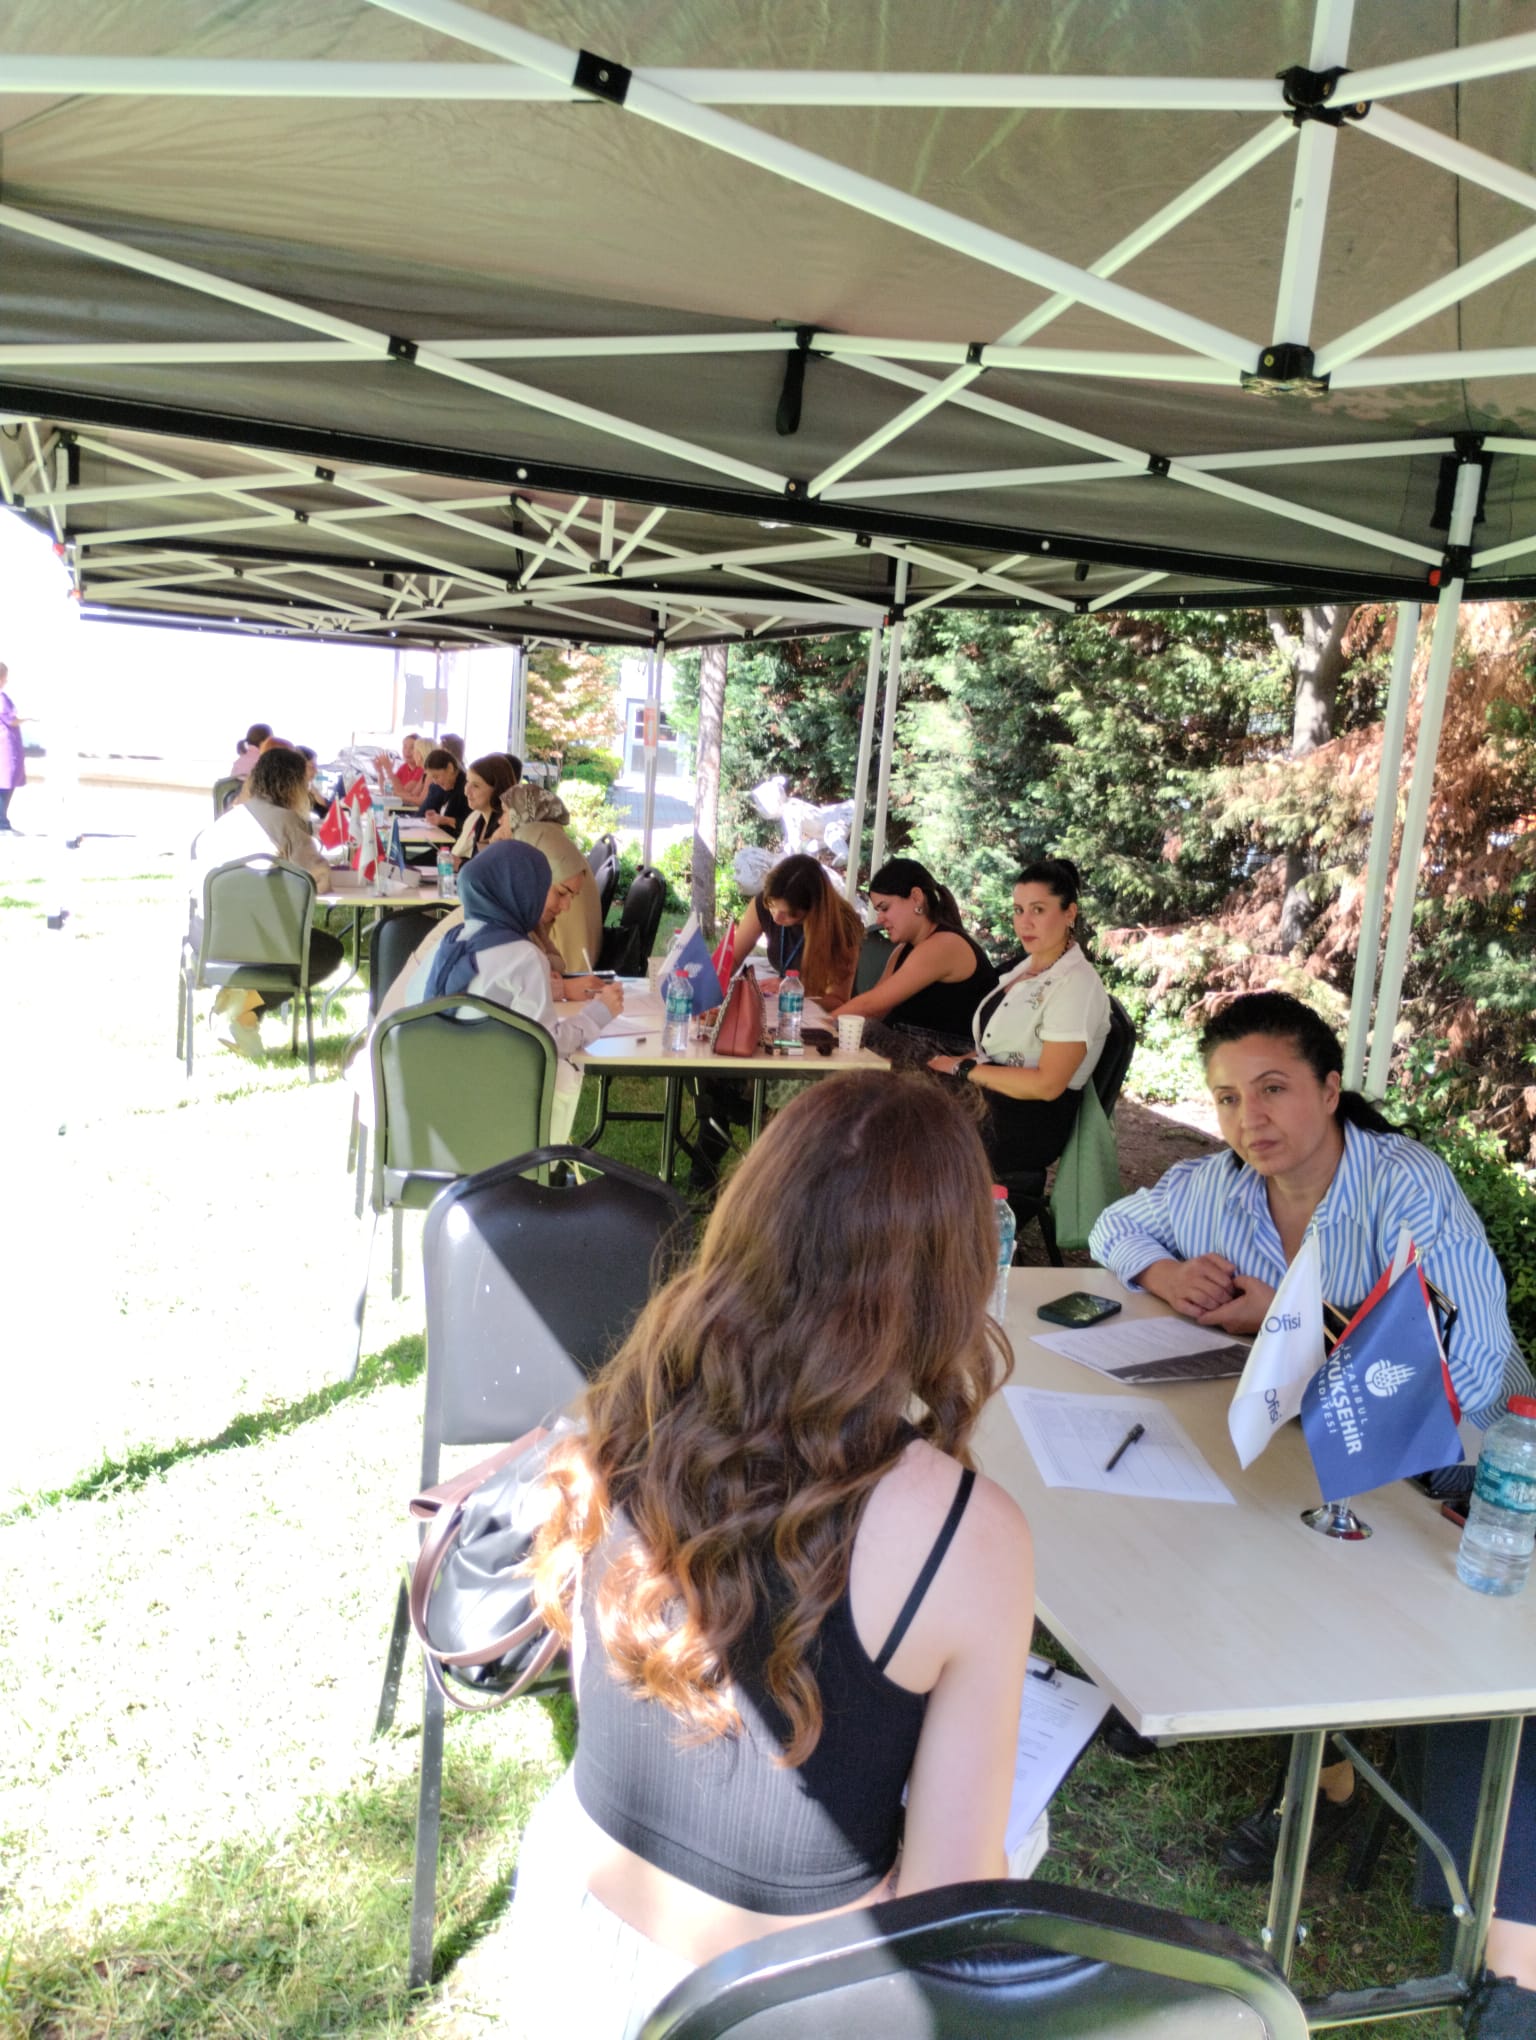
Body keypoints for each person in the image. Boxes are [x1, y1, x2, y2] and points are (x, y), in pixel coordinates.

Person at [509, 1072, 1034, 2036]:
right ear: (954, 1273)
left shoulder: (625, 1409)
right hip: (788, 2001)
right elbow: (949, 1913)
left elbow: (600, 1688)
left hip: (570, 1933)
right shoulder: (970, 1531)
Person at [1087, 990, 1535, 2011]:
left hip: (1454, 1463)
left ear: (1331, 1090)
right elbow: (1117, 1221)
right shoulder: (1216, 1187)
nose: (1250, 1118)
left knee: (1378, 1579)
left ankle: (1340, 1787)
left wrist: (1300, 1322)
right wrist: (1164, 1270)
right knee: (1175, 1488)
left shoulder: (1402, 1183)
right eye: (1227, 1097)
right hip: (1307, 1446)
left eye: (1274, 1088)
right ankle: (1210, 1696)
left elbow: (1467, 1364)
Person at [407, 838, 623, 1139]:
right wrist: (598, 1014)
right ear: (520, 892)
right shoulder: (523, 956)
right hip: (493, 1123)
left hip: (424, 1116)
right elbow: (546, 1042)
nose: (565, 906)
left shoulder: (449, 943)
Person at [927, 857, 1111, 1176]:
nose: (1024, 922)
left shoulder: (1077, 984)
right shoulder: (1026, 968)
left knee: (908, 1123)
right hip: (992, 1097)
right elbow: (995, 1049)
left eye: (1038, 910)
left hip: (1026, 1121)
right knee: (897, 1092)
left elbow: (1047, 1085)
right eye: (1018, 910)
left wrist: (962, 1068)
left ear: (1070, 913)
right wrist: (950, 1065)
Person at [189, 746, 344, 1058]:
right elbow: (316, 881)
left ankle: (242, 1011)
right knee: (327, 950)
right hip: (261, 943)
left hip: (207, 941)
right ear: (294, 785)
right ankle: (241, 1009)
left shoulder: (227, 821)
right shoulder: (288, 822)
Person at [827, 857, 999, 1062]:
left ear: (916, 898)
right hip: (915, 1052)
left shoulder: (944, 944)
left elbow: (870, 1005)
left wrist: (819, 1026)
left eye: (885, 908)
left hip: (950, 1060)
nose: (880, 919)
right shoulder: (903, 950)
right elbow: (877, 1009)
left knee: (862, 1035)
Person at [729, 851, 865, 1005]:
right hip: (784, 1008)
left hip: (824, 1014)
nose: (776, 918)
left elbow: (837, 1000)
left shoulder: (843, 926)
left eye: (788, 914)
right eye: (771, 906)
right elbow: (731, 959)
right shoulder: (762, 906)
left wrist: (791, 992)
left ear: (812, 909)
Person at [496, 783, 603, 975]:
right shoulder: (554, 842)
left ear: (520, 816)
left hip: (567, 961)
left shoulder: (543, 850)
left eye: (505, 813)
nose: (500, 820)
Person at [450, 753, 519, 867]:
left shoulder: (504, 825)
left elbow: (497, 869)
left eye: (476, 786)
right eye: (467, 782)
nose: (466, 792)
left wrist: (461, 864)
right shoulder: (480, 820)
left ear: (496, 789)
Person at [0, 663, 31, 832]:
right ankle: (2, 823)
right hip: (5, 745)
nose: (6, 680)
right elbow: (11, 719)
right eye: (5, 677)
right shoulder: (1, 698)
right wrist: (28, 717)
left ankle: (2, 821)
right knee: (5, 783)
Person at [414, 747, 471, 833]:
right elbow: (421, 814)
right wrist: (433, 816)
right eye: (432, 778)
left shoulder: (467, 789)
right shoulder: (440, 787)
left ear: (450, 768)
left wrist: (446, 820)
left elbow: (472, 825)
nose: (435, 782)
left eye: (436, 777)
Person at [376, 733, 427, 801]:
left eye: (412, 748)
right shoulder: (403, 767)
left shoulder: (421, 769)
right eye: (405, 747)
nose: (407, 751)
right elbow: (386, 791)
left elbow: (403, 793)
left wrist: (389, 770)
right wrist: (380, 771)